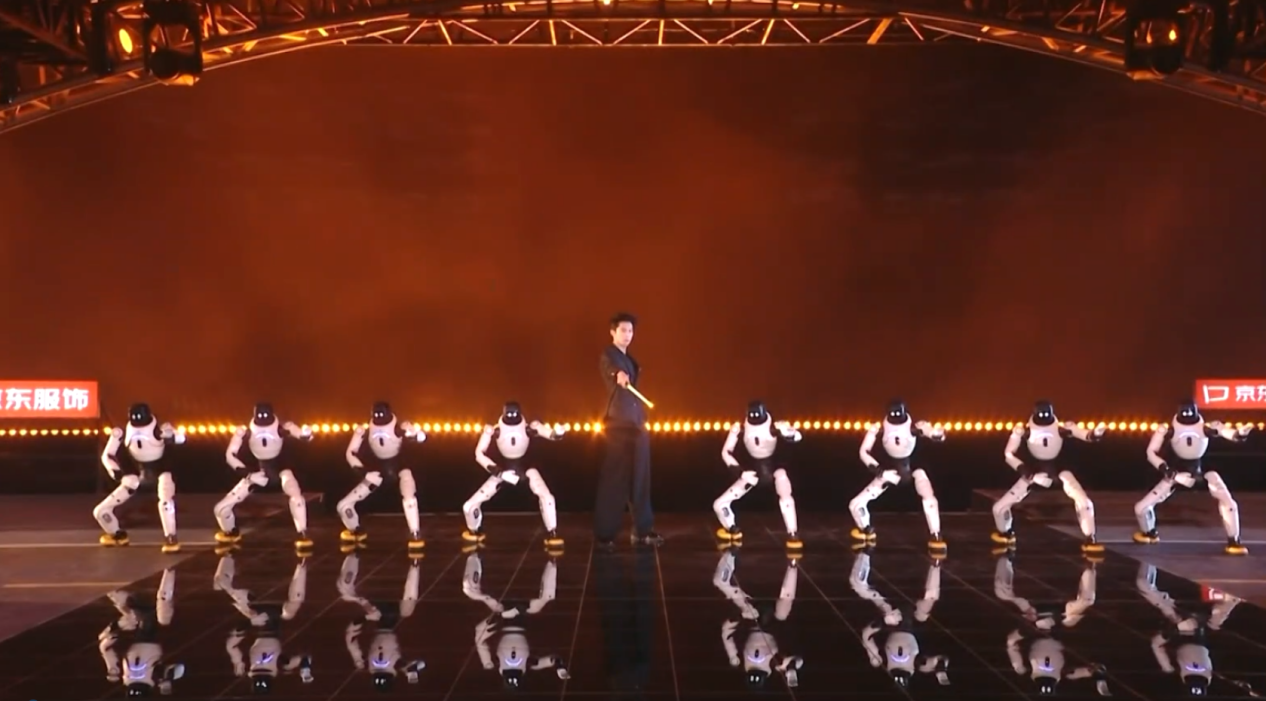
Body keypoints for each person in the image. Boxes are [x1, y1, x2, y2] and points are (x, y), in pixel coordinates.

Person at [1133, 400, 1252, 555]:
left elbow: (1226, 432)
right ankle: (1149, 533)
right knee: (1141, 508)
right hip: (1177, 472)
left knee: (1228, 503)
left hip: (1202, 470)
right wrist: (1169, 471)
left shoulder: (1207, 427)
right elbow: (1151, 453)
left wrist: (1239, 434)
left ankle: (1234, 540)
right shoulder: (1167, 430)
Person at [991, 400, 1106, 555]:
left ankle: (1090, 537)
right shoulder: (1023, 431)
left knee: (1085, 503)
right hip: (1034, 470)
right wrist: (1030, 475)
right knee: (999, 508)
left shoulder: (1061, 428)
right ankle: (1005, 532)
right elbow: (1008, 455)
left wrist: (1096, 434)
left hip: (1058, 468)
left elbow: (1085, 435)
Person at [995, 552, 1109, 696]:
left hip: (1032, 621)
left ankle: (1006, 557)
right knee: (1087, 601)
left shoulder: (1022, 668)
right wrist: (1097, 674)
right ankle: (1090, 565)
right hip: (1059, 624)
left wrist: (1029, 629)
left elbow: (1011, 642)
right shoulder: (1066, 673)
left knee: (1003, 593)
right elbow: (1092, 670)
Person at [594, 312, 662, 549]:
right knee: (615, 479)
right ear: (613, 332)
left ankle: (642, 530)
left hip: (636, 425)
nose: (627, 335)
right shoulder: (609, 355)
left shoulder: (630, 359)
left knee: (641, 478)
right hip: (618, 425)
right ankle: (605, 534)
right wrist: (618, 374)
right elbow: (611, 369)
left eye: (630, 331)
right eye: (623, 330)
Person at [462, 401, 566, 550]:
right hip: (503, 470)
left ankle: (552, 531)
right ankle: (474, 530)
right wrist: (499, 472)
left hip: (525, 468)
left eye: (514, 414)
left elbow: (549, 434)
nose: (512, 417)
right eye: (509, 414)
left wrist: (558, 433)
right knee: (469, 506)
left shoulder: (529, 428)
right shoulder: (494, 430)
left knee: (547, 497)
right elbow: (479, 454)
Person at [213, 402, 315, 552]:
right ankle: (230, 531)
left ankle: (303, 533)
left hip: (280, 469)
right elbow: (230, 455)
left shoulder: (282, 428)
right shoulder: (245, 432)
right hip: (257, 473)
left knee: (296, 497)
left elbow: (304, 436)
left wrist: (306, 433)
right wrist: (248, 474)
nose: (264, 421)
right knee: (221, 509)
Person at [850, 400, 947, 554]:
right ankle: (866, 529)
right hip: (890, 473)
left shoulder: (916, 426)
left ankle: (936, 534)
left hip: (911, 469)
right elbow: (864, 452)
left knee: (928, 497)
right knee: (856, 504)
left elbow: (934, 435)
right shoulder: (878, 429)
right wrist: (880, 471)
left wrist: (936, 434)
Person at [336, 401, 427, 554]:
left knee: (409, 497)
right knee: (343, 506)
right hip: (377, 472)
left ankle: (415, 532)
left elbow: (420, 438)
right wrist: (363, 471)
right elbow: (350, 452)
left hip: (399, 467)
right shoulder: (365, 430)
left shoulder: (399, 428)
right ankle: (355, 529)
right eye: (376, 415)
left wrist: (415, 433)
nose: (379, 418)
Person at [94, 403, 186, 553]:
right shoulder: (121, 433)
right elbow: (107, 455)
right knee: (101, 511)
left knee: (165, 503)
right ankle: (116, 534)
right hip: (135, 475)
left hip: (161, 471)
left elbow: (181, 438)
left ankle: (171, 537)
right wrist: (113, 469)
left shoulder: (160, 430)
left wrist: (170, 435)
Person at [853, 548, 950, 688]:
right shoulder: (919, 665)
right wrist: (940, 669)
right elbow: (940, 659)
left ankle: (865, 552)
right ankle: (936, 562)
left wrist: (883, 622)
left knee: (859, 587)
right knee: (930, 599)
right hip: (912, 620)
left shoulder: (879, 660)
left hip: (890, 616)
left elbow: (866, 636)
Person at [714, 400, 803, 550]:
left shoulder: (774, 427)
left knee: (784, 488)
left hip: (773, 468)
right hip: (752, 474)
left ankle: (793, 533)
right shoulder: (740, 428)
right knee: (719, 504)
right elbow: (726, 452)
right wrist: (740, 472)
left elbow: (797, 437)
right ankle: (732, 528)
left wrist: (788, 432)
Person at [713, 548, 804, 689]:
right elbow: (796, 660)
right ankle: (792, 564)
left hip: (751, 615)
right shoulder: (775, 663)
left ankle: (731, 553)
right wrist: (791, 668)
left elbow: (726, 634)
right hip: (774, 621)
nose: (755, 663)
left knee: (720, 582)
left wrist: (740, 617)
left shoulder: (736, 659)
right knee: (785, 606)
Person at [337, 553, 427, 692]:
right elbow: (415, 664)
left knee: (345, 592)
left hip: (374, 614)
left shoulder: (364, 662)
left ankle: (354, 555)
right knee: (408, 608)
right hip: (387, 618)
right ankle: (415, 564)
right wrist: (411, 669)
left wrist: (367, 617)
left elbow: (350, 637)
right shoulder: (376, 664)